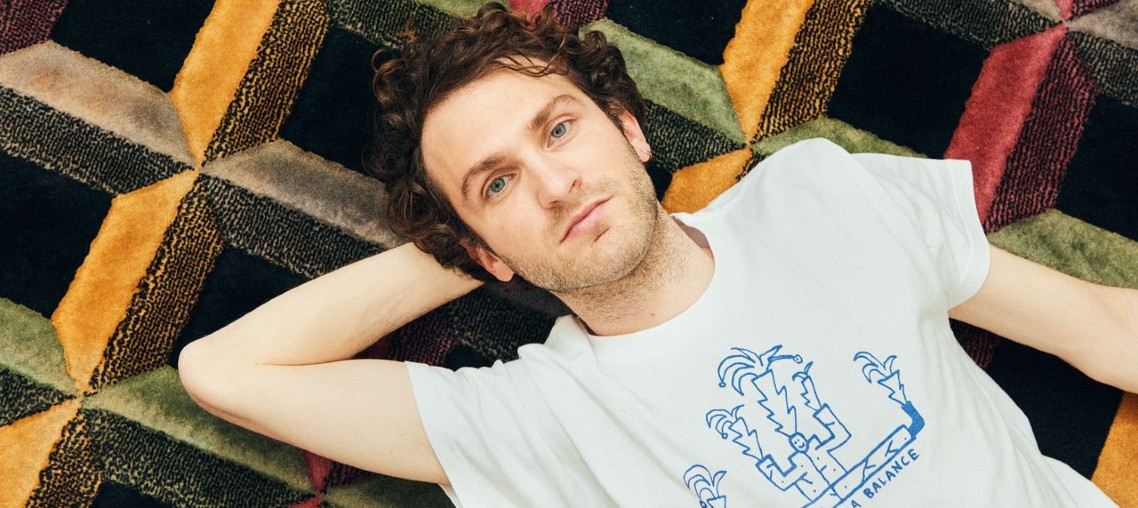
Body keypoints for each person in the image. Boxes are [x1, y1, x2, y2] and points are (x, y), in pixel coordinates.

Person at [177, 3, 1136, 506]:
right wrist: (465, 242)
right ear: (481, 250)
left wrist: (493, 212)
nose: (554, 184)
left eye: (559, 130)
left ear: (629, 128)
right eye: (498, 183)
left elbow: (1098, 329)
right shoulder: (535, 420)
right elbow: (223, 372)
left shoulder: (819, 195)